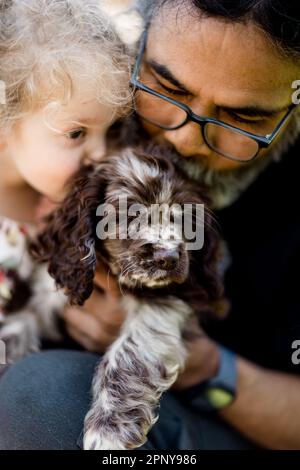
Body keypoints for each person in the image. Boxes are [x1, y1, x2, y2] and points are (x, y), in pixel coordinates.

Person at [1, 0, 300, 450]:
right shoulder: (98, 97)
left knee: (45, 398)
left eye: (244, 117)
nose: (182, 139)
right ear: (138, 46)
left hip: (227, 422)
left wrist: (204, 368)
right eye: (166, 87)